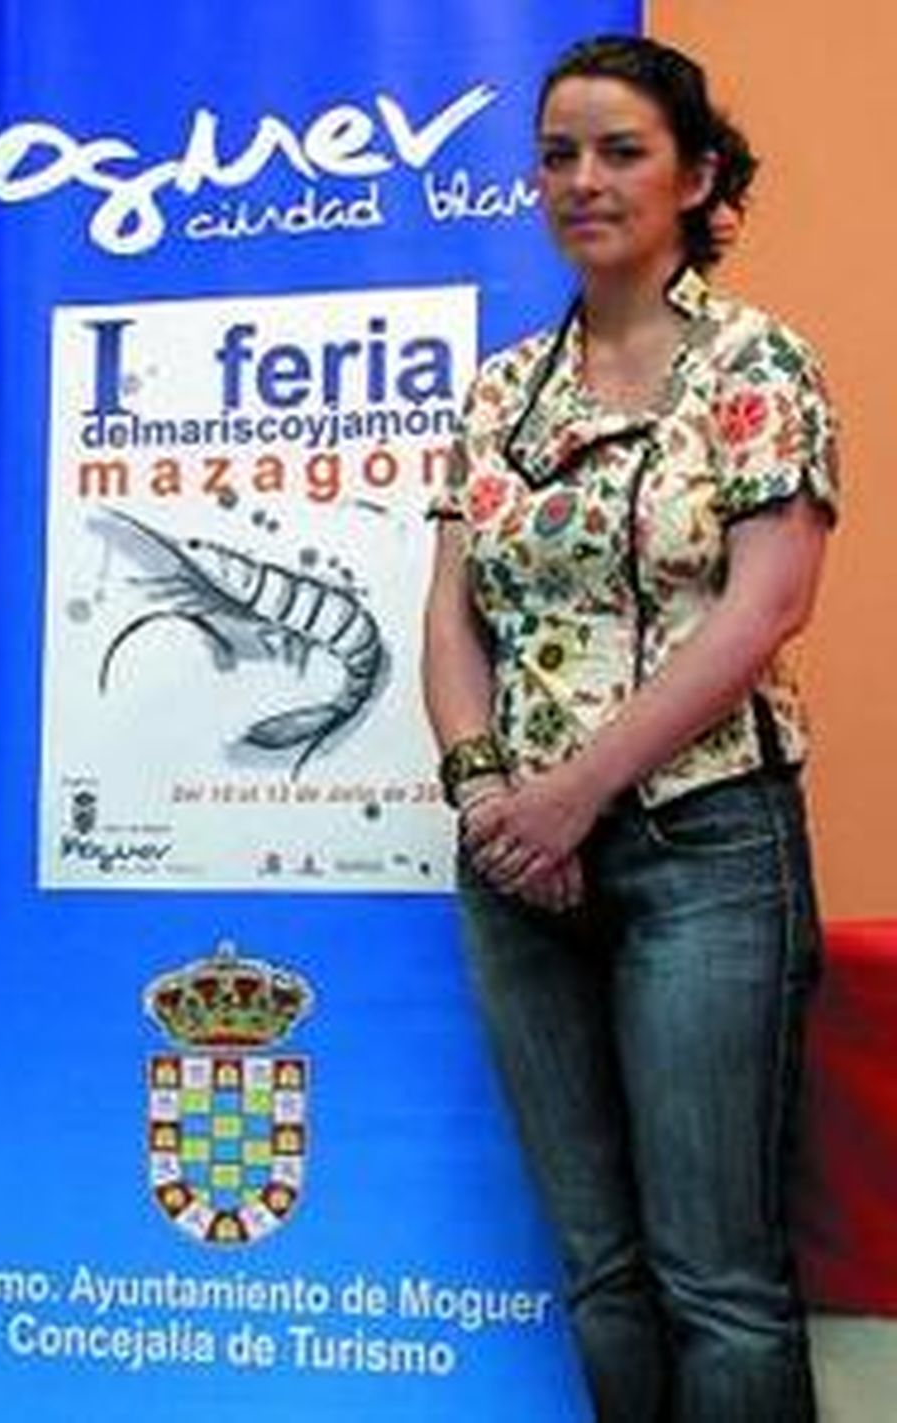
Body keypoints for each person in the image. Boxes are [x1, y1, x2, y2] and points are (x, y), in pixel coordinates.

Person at [422, 35, 836, 1423]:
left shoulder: (755, 361)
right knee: (598, 1272)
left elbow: (765, 607)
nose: (583, 181)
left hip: (707, 846)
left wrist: (572, 795)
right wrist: (489, 796)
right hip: (517, 872)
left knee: (715, 1279)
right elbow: (452, 613)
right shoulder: (497, 392)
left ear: (698, 173)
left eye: (621, 151)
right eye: (558, 154)